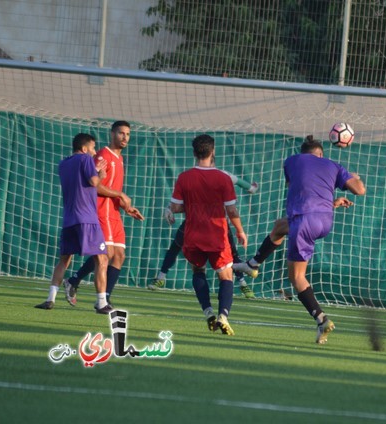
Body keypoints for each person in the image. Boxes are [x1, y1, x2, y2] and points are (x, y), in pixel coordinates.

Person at [244, 135, 365, 344]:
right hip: (324, 221)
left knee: (297, 277)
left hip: (304, 221)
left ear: (304, 152)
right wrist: (355, 177)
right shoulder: (334, 165)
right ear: (321, 153)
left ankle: (321, 319)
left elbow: (299, 185)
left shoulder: (291, 161)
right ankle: (253, 264)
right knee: (280, 226)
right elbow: (360, 190)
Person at [168, 134, 251, 335]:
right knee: (226, 276)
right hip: (217, 235)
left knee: (198, 272)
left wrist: (171, 210)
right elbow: (231, 211)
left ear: (194, 153)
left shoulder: (184, 177)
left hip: (193, 235)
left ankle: (208, 312)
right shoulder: (223, 178)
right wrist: (240, 230)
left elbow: (176, 207)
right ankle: (223, 315)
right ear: (213, 151)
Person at [63, 121, 144, 309]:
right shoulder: (102, 156)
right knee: (105, 254)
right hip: (101, 212)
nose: (125, 137)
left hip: (114, 213)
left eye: (128, 134)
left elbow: (113, 188)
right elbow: (96, 186)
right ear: (112, 134)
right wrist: (121, 195)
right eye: (121, 133)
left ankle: (102, 294)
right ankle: (77, 282)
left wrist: (126, 207)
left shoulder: (120, 158)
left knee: (120, 255)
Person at [35, 133, 112, 314]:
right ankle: (101, 303)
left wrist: (93, 169)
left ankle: (50, 299)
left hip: (69, 220)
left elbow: (79, 181)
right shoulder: (85, 159)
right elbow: (93, 182)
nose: (94, 152)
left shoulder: (63, 164)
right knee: (102, 258)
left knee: (64, 260)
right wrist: (100, 173)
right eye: (93, 148)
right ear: (84, 148)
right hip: (87, 219)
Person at [148, 173, 259, 299]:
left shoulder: (222, 176)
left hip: (217, 224)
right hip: (195, 222)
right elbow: (181, 200)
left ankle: (242, 283)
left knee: (231, 254)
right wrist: (170, 208)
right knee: (176, 248)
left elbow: (239, 183)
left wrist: (251, 188)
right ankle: (160, 277)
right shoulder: (192, 177)